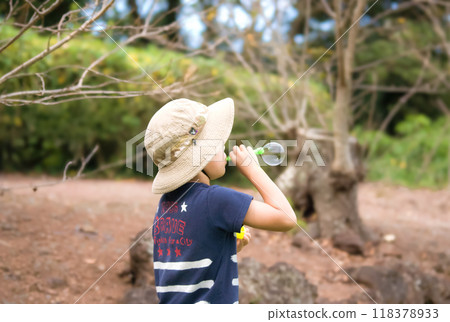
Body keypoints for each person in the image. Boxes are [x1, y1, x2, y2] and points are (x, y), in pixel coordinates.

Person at [144, 98, 297, 304]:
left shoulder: (166, 205)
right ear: (199, 157)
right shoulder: (215, 199)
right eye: (216, 144)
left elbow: (184, 268)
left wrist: (225, 250)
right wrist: (253, 170)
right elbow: (286, 218)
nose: (224, 148)